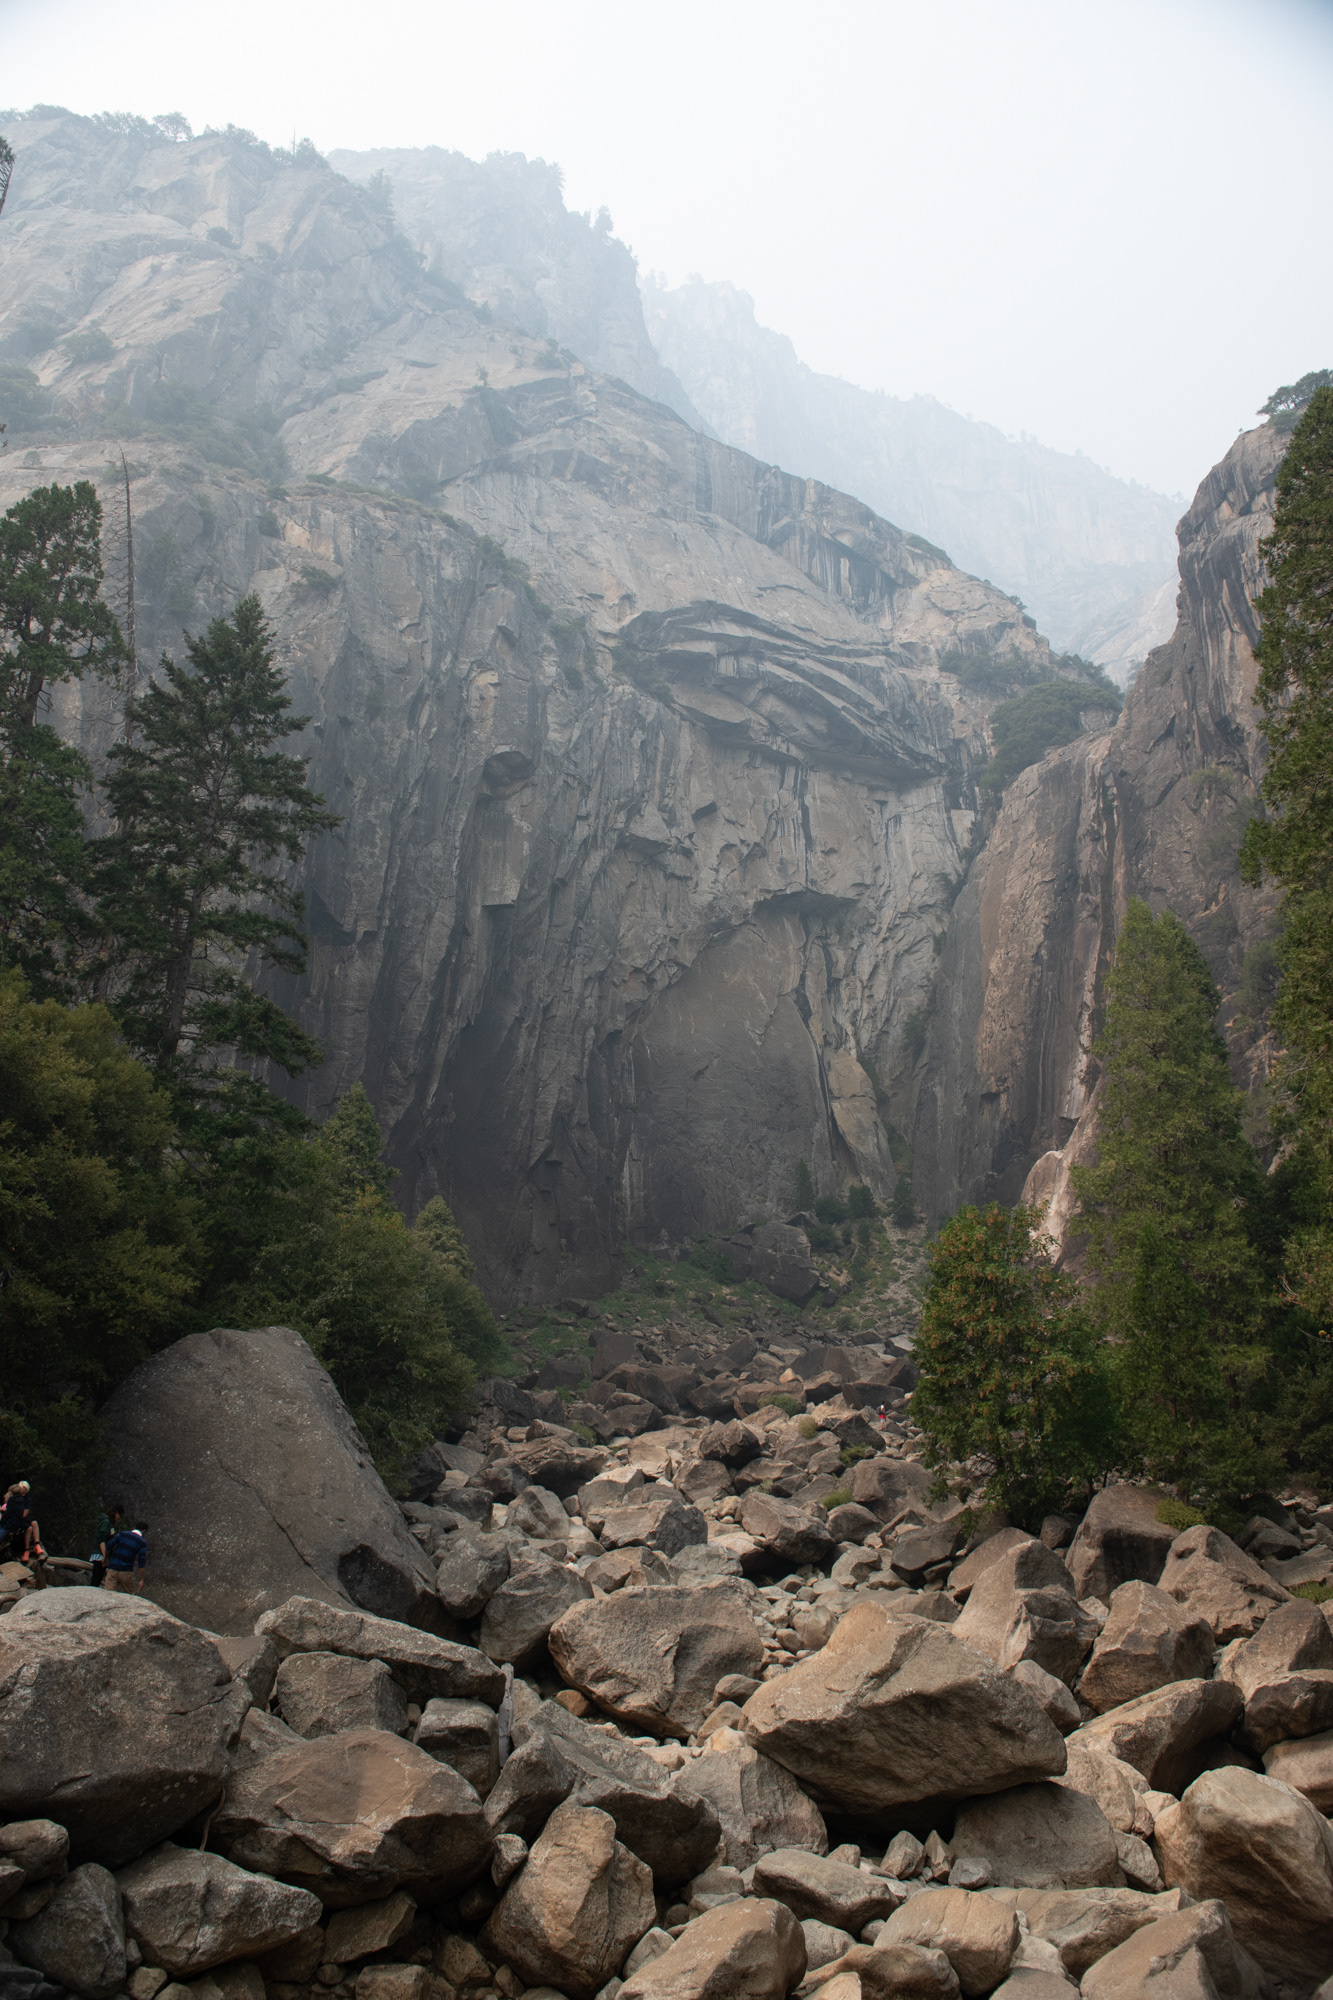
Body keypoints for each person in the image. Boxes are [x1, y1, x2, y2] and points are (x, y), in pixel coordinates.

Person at [103, 1520, 148, 1594]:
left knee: (108, 1594)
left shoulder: (123, 1534)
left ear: (134, 1527)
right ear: (144, 1531)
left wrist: (105, 1560)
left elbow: (109, 1545)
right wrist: (141, 1579)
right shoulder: (142, 1541)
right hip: (126, 1571)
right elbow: (141, 1561)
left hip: (113, 1568)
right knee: (129, 1595)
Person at [90, 1501, 125, 1588]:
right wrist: (104, 1557)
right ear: (116, 1513)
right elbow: (102, 1540)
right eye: (119, 1515)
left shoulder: (109, 1523)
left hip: (103, 1554)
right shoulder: (106, 1522)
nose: (119, 1517)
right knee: (96, 1579)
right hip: (100, 1554)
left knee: (98, 1579)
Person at [0, 1482, 32, 1561]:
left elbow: (8, 1514)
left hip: (9, 1525)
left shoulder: (12, 1501)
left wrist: (2, 1521)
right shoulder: (21, 1501)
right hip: (15, 1525)